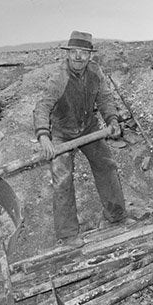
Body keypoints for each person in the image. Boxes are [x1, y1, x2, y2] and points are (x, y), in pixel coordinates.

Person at [32, 30, 126, 243]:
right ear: (68, 53)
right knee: (62, 180)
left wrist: (112, 119)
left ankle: (117, 215)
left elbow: (104, 98)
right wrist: (44, 137)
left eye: (83, 52)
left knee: (106, 166)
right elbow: (42, 107)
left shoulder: (95, 72)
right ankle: (67, 235)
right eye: (74, 51)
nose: (78, 57)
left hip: (89, 129)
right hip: (62, 134)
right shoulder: (59, 78)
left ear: (90, 55)